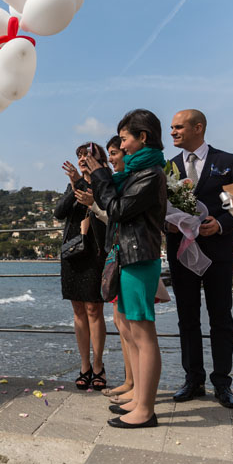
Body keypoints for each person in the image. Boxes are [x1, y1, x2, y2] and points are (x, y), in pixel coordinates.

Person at [89, 109, 167, 429]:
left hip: (139, 258)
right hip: (130, 256)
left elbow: (118, 208)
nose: (120, 145)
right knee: (135, 331)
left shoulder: (150, 173)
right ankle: (139, 399)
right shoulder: (138, 172)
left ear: (142, 137)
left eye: (124, 138)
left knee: (143, 332)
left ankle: (146, 409)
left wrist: (102, 177)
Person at [166, 109, 233, 409]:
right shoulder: (168, 167)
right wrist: (167, 224)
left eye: (178, 127)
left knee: (221, 318)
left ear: (198, 127)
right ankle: (193, 380)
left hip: (218, 253)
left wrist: (222, 224)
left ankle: (222, 383)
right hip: (181, 253)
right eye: (171, 128)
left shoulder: (228, 162)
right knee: (187, 318)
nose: (172, 132)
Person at [54, 142, 108, 391]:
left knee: (94, 309)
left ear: (99, 158)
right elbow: (60, 212)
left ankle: (98, 365)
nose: (83, 158)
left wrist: (83, 182)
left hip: (95, 251)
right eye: (79, 155)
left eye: (88, 154)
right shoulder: (73, 183)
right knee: (78, 309)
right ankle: (84, 365)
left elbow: (106, 206)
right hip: (73, 253)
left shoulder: (104, 180)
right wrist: (75, 183)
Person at [99, 136, 135, 404]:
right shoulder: (119, 181)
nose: (111, 159)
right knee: (120, 322)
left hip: (130, 254)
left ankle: (136, 385)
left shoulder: (128, 182)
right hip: (116, 254)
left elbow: (114, 212)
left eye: (114, 153)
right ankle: (130, 380)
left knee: (131, 324)